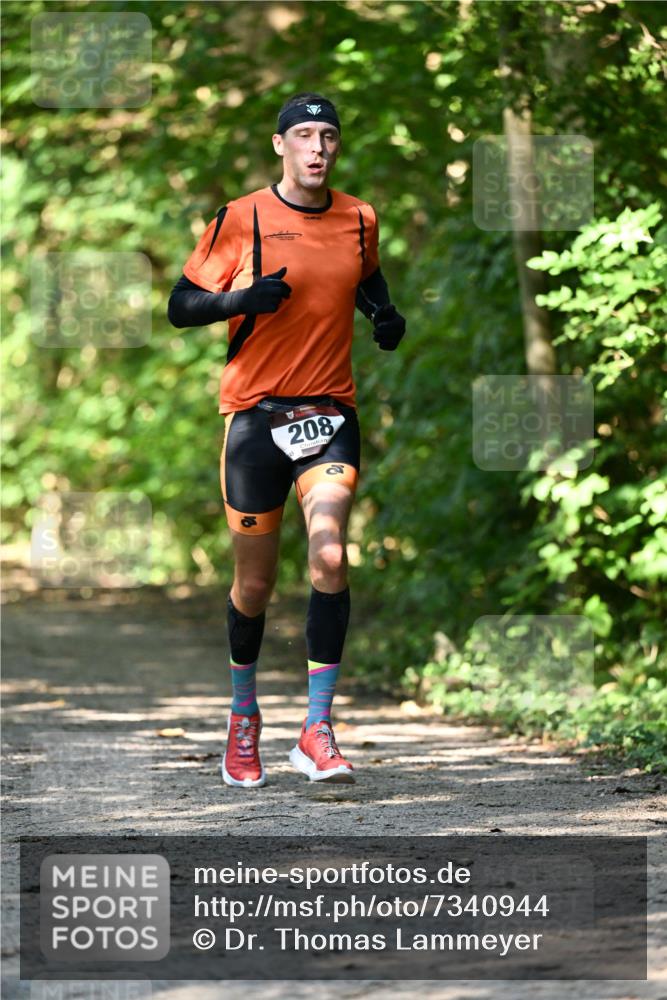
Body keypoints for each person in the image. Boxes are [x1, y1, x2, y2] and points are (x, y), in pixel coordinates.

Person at [167, 92, 405, 788]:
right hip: (254, 420)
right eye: (303, 135)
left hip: (330, 413)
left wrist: (383, 315)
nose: (316, 148)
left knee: (329, 556)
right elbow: (182, 305)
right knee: (254, 584)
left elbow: (364, 277)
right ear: (280, 146)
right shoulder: (240, 218)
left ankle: (316, 731)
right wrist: (238, 300)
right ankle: (244, 720)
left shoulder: (359, 216)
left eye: (327, 135)